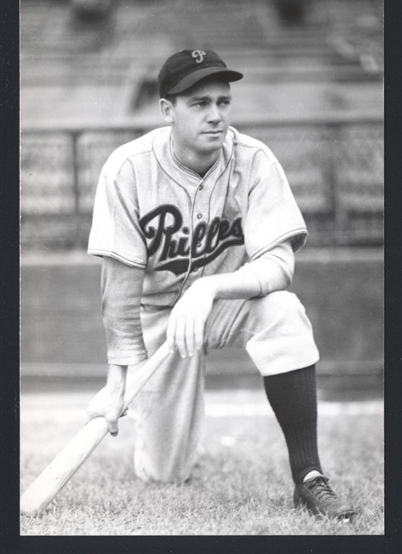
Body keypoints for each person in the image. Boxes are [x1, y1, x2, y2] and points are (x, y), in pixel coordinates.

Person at [87, 49, 355, 521]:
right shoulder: (128, 169)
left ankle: (309, 477)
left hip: (228, 301)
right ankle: (164, 443)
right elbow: (120, 285)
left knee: (284, 312)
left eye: (223, 102)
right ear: (167, 109)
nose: (216, 115)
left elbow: (278, 263)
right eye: (199, 103)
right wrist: (117, 380)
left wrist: (210, 289)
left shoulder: (253, 160)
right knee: (164, 471)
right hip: (157, 318)